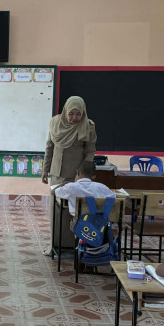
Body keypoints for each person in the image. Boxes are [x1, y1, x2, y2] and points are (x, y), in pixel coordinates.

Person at [42, 96, 97, 255]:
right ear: (65, 111)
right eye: (71, 114)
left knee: (75, 212)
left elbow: (90, 151)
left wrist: (83, 174)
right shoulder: (55, 123)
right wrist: (45, 170)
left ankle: (75, 246)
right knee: (57, 211)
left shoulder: (88, 126)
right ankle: (55, 245)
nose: (74, 118)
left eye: (78, 114)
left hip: (77, 176)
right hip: (57, 174)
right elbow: (49, 147)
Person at [54, 160, 115, 231]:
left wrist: (62, 185)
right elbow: (114, 199)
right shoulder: (102, 187)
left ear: (78, 172)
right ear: (93, 177)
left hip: (79, 225)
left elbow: (54, 192)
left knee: (72, 221)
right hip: (100, 225)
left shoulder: (70, 187)